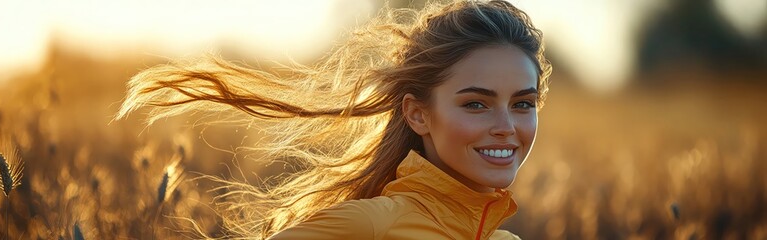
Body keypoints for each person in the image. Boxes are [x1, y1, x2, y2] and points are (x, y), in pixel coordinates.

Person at [117, 0, 551, 239]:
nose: (506, 126)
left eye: (523, 104)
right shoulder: (372, 224)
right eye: (476, 104)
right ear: (418, 114)